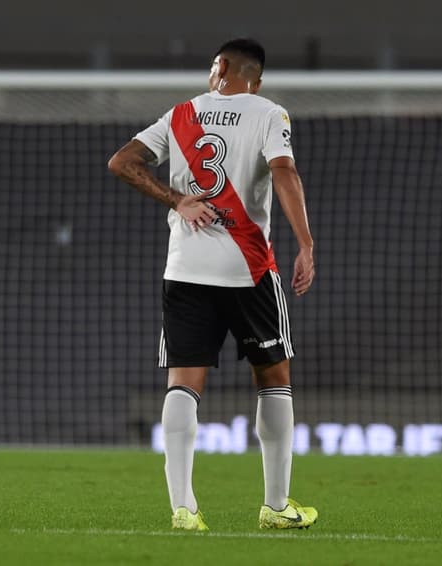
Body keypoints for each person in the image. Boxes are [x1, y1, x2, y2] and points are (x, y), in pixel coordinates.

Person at [108, 38, 317, 532]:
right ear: (255, 79)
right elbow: (284, 172)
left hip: (185, 271)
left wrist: (177, 199)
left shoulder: (181, 114)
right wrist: (306, 244)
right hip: (248, 271)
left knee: (183, 383)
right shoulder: (269, 113)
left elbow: (122, 162)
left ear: (219, 69)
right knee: (274, 377)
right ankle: (275, 505)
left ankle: (183, 508)